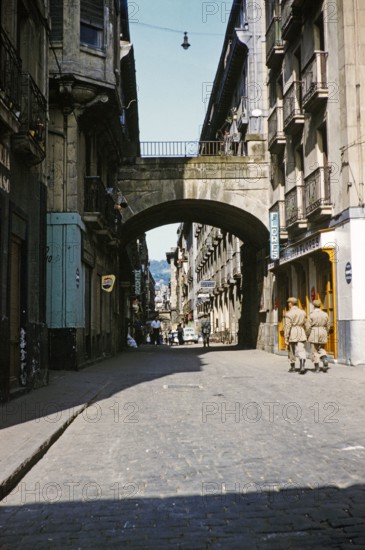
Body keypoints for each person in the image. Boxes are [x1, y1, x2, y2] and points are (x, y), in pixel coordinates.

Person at [284, 297, 309, 375]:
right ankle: (302, 366)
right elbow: (307, 325)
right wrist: (307, 333)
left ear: (291, 304)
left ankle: (293, 367)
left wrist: (286, 337)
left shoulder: (288, 314)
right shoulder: (303, 312)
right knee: (301, 349)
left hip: (293, 331)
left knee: (291, 349)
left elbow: (287, 326)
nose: (288, 304)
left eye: (289, 303)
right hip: (301, 331)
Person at [308, 299, 331, 373]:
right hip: (323, 331)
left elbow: (308, 327)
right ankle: (324, 359)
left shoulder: (311, 315)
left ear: (314, 306)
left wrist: (308, 334)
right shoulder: (325, 314)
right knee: (321, 348)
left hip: (314, 331)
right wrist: (326, 332)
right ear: (320, 306)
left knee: (314, 350)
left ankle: (317, 368)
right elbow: (328, 325)